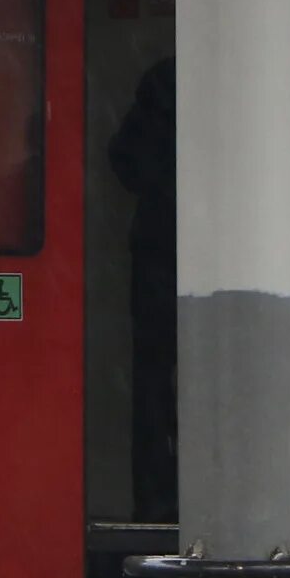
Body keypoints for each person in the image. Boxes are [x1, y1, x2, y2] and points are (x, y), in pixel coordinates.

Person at [108, 57, 177, 523]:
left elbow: (126, 163)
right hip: (202, 254)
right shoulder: (235, 80)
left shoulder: (161, 84)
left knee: (153, 389)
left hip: (157, 252)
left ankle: (156, 503)